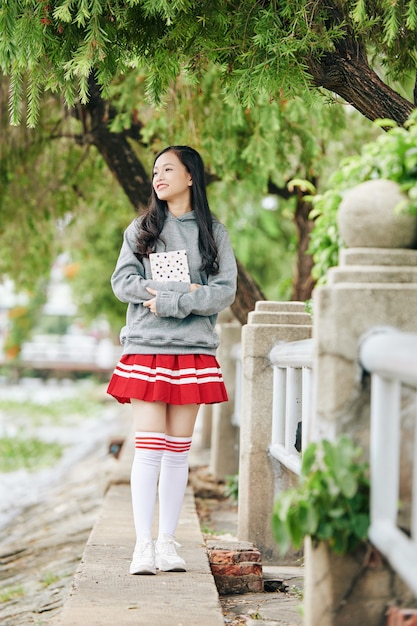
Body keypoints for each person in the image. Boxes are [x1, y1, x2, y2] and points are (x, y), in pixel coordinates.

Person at [107, 145, 237, 576]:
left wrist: (175, 301)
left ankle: (168, 543)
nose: (158, 177)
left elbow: (223, 293)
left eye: (168, 169)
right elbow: (123, 281)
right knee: (149, 448)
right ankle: (142, 546)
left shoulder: (213, 232)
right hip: (146, 345)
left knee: (178, 452)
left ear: (190, 177)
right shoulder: (142, 228)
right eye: (155, 171)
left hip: (194, 351)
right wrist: (182, 296)